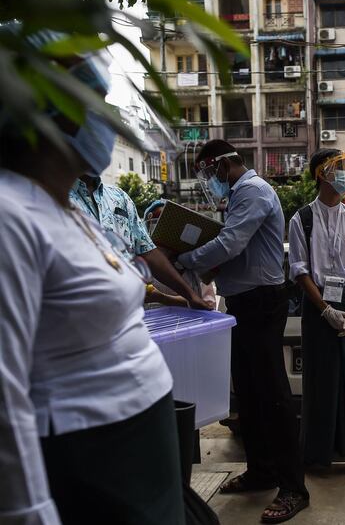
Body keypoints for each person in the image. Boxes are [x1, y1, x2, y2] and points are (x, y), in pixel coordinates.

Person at [0, 41, 184, 524]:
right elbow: (4, 390)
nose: (109, 119)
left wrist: (186, 292)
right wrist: (30, 513)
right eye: (95, 102)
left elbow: (134, 271)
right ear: (51, 109)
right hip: (93, 458)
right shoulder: (10, 215)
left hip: (138, 451)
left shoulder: (66, 207)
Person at [177, 139, 308, 523]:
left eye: (206, 172)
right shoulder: (238, 196)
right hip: (243, 303)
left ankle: (294, 488)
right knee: (248, 396)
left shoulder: (253, 191)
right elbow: (234, 248)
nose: (206, 180)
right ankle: (262, 471)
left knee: (272, 395)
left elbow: (231, 243)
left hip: (262, 303)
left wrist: (185, 259)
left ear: (221, 165)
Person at [288, 148, 345, 479]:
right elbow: (300, 270)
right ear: (320, 174)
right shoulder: (302, 219)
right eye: (338, 169)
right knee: (320, 379)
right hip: (317, 308)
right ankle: (317, 453)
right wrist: (325, 310)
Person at [70, 175, 211, 310]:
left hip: (128, 314)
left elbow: (147, 250)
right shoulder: (54, 198)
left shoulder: (119, 197)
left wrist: (191, 296)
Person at [143, 199, 217, 309]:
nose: (161, 229)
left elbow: (208, 304)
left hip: (192, 324)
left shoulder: (193, 261)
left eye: (166, 223)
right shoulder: (143, 264)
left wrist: (163, 298)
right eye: (155, 222)